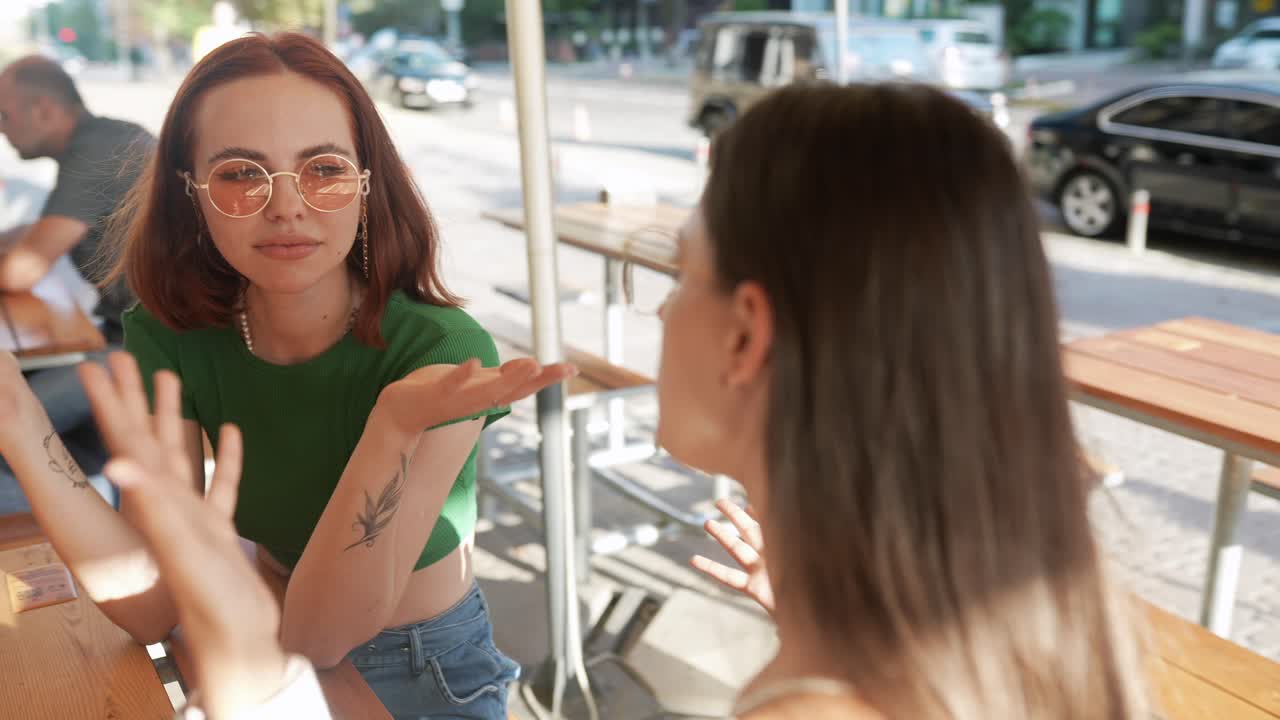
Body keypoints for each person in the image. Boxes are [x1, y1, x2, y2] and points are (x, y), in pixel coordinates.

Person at [61, 81, 1153, 719]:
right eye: (242, 176)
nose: (661, 308)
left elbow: (301, 639)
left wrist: (242, 646)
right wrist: (825, 626)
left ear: (747, 332)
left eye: (681, 272)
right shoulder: (986, 640)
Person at [0, 32, 573, 720]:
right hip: (264, 615)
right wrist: (19, 423)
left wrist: (391, 428)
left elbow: (320, 639)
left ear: (367, 184)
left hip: (426, 670)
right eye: (241, 173)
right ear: (190, 193)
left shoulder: (441, 352)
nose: (286, 205)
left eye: (323, 168)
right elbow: (152, 607)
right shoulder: (172, 331)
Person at [0, 55, 154, 511]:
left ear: (44, 109)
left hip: (147, 351)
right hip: (123, 337)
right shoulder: (100, 140)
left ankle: (68, 531)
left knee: (8, 418)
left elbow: (22, 270)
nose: (2, 131)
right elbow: (35, 232)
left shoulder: (97, 151)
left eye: (4, 116)